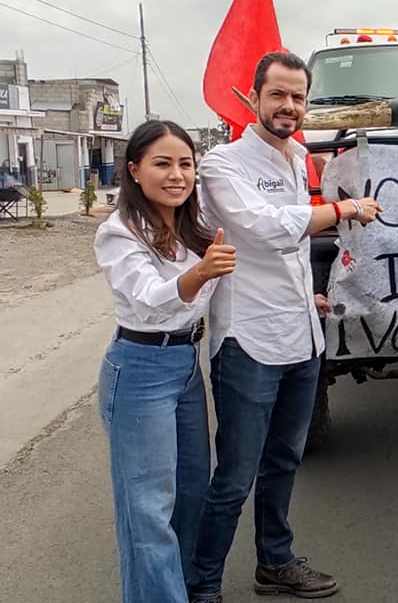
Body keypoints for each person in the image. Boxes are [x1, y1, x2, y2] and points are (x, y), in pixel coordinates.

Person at [187, 51, 382, 603]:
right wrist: (343, 212)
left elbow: (290, 253)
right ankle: (202, 585)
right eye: (278, 94)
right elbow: (264, 229)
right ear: (253, 98)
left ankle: (274, 561)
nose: (289, 106)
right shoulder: (221, 163)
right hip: (249, 340)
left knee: (284, 461)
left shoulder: (298, 157)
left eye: (298, 96)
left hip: (301, 335)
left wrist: (308, 294)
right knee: (235, 477)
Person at [95, 120, 236, 603]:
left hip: (184, 365)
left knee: (192, 490)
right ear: (134, 170)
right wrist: (201, 271)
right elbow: (152, 298)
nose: (177, 174)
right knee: (148, 510)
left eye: (185, 164)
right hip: (139, 370)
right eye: (162, 163)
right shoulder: (119, 233)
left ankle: (187, 590)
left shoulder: (192, 229)